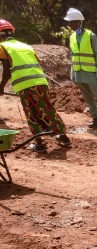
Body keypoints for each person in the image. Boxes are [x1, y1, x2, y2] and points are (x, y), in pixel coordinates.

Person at [0, 19, 72, 153]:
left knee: (31, 113)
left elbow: (6, 70)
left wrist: (1, 86)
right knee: (47, 108)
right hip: (41, 82)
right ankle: (63, 137)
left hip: (25, 85)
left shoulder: (3, 47)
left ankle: (39, 144)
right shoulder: (26, 46)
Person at [64, 8, 97, 130]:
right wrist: (72, 71)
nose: (70, 25)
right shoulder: (71, 37)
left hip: (90, 71)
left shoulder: (91, 36)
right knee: (87, 97)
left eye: (72, 22)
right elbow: (73, 54)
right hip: (78, 72)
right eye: (69, 22)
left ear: (79, 22)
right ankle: (96, 118)